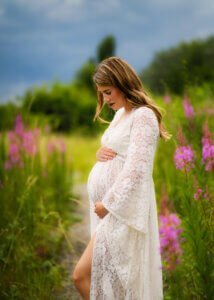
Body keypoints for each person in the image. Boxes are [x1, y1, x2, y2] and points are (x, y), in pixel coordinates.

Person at [72, 56, 171, 299]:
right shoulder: (121, 115)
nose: (105, 100)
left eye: (108, 92)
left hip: (122, 213)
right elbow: (116, 150)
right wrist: (99, 152)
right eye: (102, 94)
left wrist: (108, 203)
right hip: (111, 216)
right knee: (114, 285)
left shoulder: (143, 116)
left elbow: (138, 169)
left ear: (123, 82)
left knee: (81, 276)